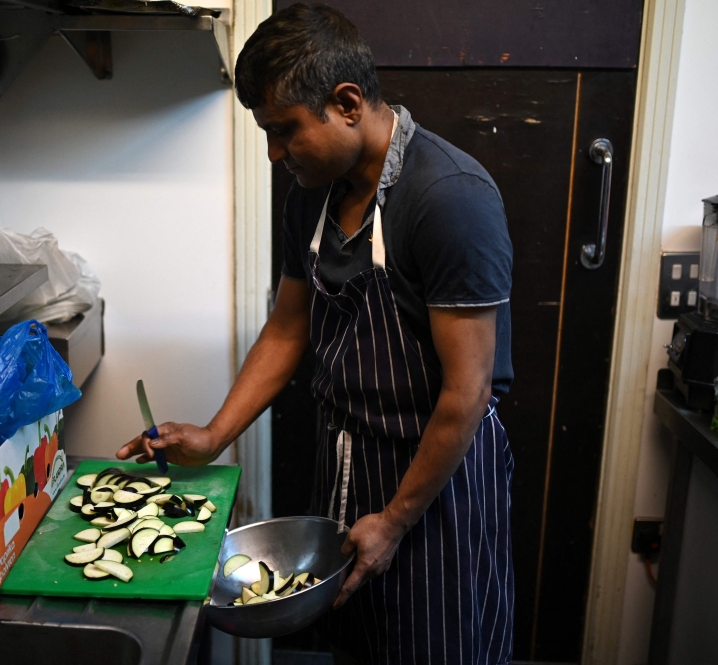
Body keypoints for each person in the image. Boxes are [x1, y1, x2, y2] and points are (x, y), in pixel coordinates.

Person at [119, 4, 514, 663]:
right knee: (360, 642)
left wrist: (395, 518)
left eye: (285, 131)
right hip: (348, 463)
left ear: (348, 103)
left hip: (435, 478)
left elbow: (466, 394)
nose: (274, 153)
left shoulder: (449, 199)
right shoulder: (313, 194)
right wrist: (216, 433)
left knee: (434, 644)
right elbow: (286, 330)